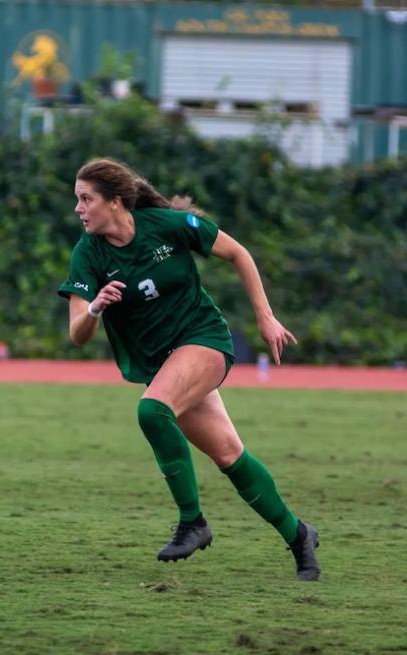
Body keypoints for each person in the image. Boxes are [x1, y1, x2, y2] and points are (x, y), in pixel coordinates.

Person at [58, 158, 320, 581]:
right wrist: (94, 308)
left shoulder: (167, 225)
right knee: (229, 455)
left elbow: (238, 253)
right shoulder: (88, 255)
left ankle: (192, 522)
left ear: (116, 201)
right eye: (77, 199)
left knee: (151, 410)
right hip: (164, 363)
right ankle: (299, 536)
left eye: (86, 199)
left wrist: (265, 317)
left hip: (203, 339)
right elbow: (77, 333)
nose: (78, 208)